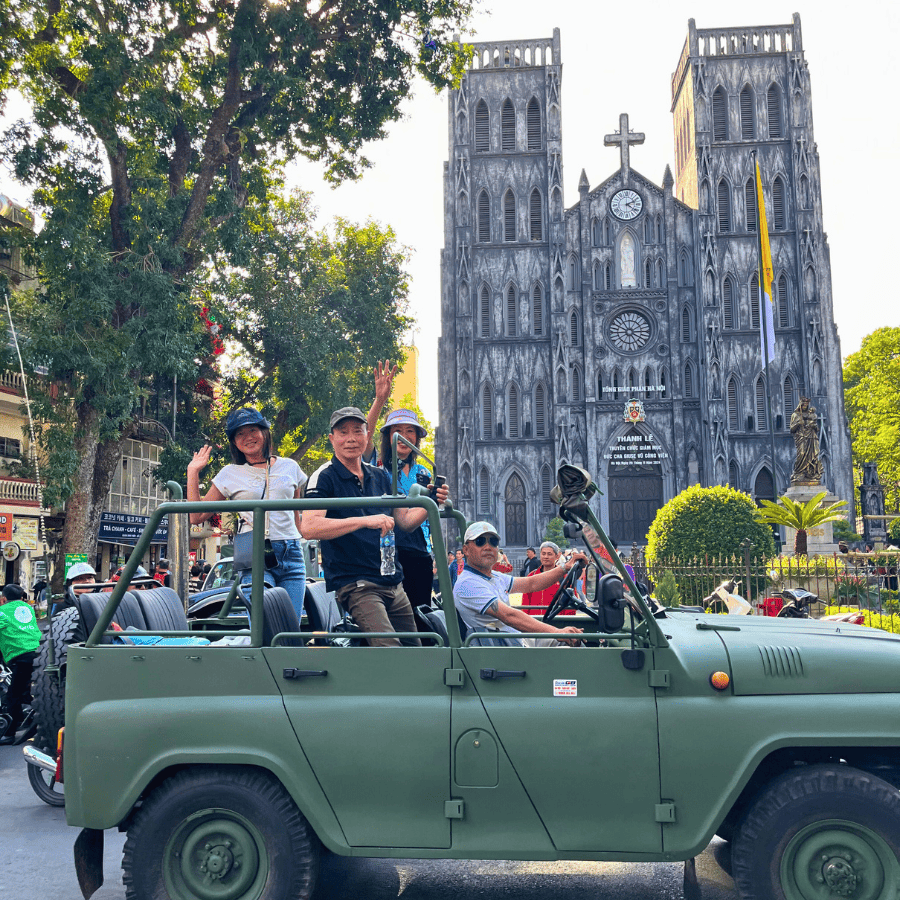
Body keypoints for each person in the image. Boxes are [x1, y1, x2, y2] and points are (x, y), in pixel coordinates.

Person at [302, 406, 449, 647]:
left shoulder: (381, 476)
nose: (351, 438)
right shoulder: (324, 476)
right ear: (332, 439)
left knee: (418, 652)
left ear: (366, 435)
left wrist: (431, 502)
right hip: (357, 584)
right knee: (390, 651)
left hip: (393, 582)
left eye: (357, 431)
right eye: (343, 432)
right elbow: (309, 527)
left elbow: (405, 522)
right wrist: (365, 521)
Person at [187, 407, 308, 618]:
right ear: (234, 443)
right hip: (255, 551)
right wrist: (193, 471)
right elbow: (196, 516)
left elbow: (298, 515)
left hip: (292, 550)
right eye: (240, 434)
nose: (248, 437)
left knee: (290, 626)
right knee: (265, 621)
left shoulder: (290, 467)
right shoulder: (230, 473)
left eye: (253, 430)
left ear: (265, 432)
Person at [453, 521, 586, 647]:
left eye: (493, 542)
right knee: (574, 655)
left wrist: (564, 568)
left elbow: (530, 583)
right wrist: (557, 632)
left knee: (576, 643)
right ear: (466, 549)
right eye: (480, 541)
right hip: (505, 651)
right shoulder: (468, 583)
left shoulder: (493, 576)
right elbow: (509, 616)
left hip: (516, 640)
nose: (488, 547)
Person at [378, 408, 445, 625]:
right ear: (388, 437)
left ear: (417, 437)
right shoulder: (377, 469)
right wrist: (431, 502)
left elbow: (420, 515)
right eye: (397, 431)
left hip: (419, 549)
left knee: (421, 614)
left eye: (410, 431)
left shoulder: (423, 472)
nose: (404, 437)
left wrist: (436, 498)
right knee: (393, 616)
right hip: (388, 550)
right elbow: (405, 520)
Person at [0, 584, 41, 744]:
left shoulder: (2, 611)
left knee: (12, 695)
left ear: (3, 599)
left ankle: (9, 733)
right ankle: (31, 718)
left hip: (20, 655)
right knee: (24, 690)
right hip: (38, 651)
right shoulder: (28, 609)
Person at [521, 542, 575, 617]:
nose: (546, 557)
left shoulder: (565, 578)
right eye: (543, 554)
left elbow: (570, 605)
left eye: (549, 554)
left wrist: (566, 621)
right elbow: (525, 602)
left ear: (557, 556)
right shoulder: (531, 576)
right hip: (535, 621)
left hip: (556, 622)